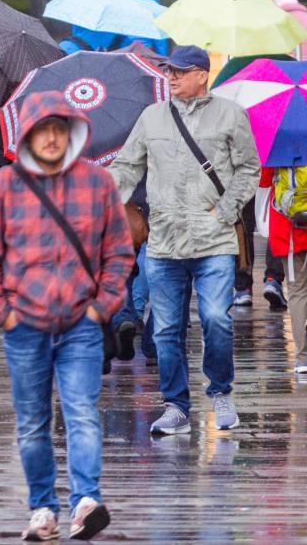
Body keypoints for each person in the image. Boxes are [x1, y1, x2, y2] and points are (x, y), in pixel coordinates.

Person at [0, 91, 133, 542]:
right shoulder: (2, 185)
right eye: (44, 130)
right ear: (28, 136)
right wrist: (1, 313)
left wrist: (102, 306)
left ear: (73, 134)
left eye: (61, 129)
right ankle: (43, 509)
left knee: (82, 411)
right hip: (23, 325)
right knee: (33, 422)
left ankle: (86, 500)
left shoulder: (97, 184)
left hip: (81, 322)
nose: (52, 138)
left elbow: (118, 252)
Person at [109, 45, 260, 434]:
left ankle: (221, 392)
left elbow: (248, 167)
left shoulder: (230, 114)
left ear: (202, 75)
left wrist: (226, 212)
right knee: (165, 331)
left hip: (214, 242)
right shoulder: (152, 116)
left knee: (215, 319)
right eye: (169, 71)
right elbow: (127, 166)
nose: (171, 77)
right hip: (164, 242)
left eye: (180, 71)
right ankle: (175, 405)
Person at [257, 165, 307, 372]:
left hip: (289, 229)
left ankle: (303, 357)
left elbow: (264, 183)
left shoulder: (277, 142)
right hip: (291, 231)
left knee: (297, 291)